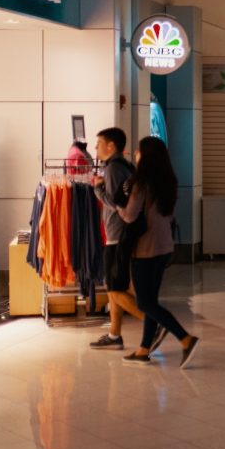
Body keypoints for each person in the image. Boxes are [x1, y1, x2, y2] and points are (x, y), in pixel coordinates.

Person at [119, 137, 200, 368]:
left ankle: (185, 338)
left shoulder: (141, 183)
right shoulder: (168, 182)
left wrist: (115, 204)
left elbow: (129, 215)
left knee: (145, 304)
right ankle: (144, 349)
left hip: (145, 248)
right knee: (150, 299)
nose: (135, 153)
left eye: (138, 151)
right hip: (164, 247)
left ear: (146, 156)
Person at [89, 127, 145, 350]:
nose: (96, 148)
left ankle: (154, 322)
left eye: (99, 143)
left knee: (114, 289)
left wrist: (97, 190)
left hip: (117, 235)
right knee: (116, 286)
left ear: (111, 146)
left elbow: (115, 203)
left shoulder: (113, 168)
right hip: (123, 233)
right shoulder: (125, 166)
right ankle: (114, 335)